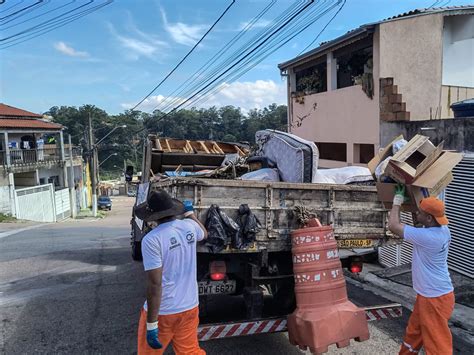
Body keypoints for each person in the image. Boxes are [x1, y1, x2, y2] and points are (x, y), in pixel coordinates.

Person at [135, 189, 208, 355]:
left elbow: (155, 284)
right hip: (190, 306)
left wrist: (152, 324)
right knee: (190, 352)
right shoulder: (189, 227)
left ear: (153, 216)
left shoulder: (152, 239)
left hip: (164, 312)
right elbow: (204, 233)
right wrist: (190, 214)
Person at [388, 184, 455, 355]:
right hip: (430, 295)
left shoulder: (428, 237)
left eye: (420, 213)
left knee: (437, 344)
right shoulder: (442, 230)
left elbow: (394, 226)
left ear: (430, 219)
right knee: (414, 333)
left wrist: (397, 201)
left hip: (435, 298)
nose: (416, 214)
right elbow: (418, 225)